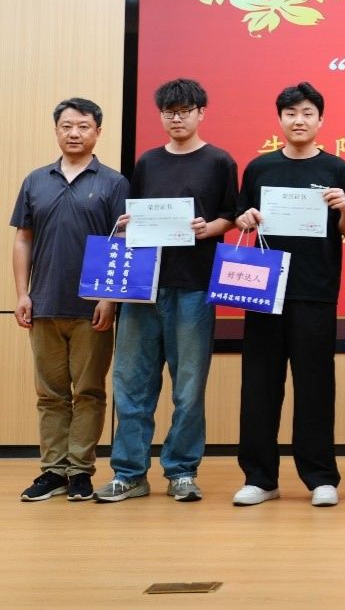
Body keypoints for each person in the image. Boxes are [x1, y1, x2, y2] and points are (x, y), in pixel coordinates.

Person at [93, 79, 238, 505]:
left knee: (188, 388)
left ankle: (182, 471)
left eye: (185, 110)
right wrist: (125, 225)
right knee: (131, 384)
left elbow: (230, 216)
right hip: (142, 287)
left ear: (201, 112)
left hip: (193, 286)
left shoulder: (219, 161)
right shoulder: (148, 162)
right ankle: (129, 473)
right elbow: (135, 216)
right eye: (169, 112)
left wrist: (207, 228)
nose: (176, 118)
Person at [231, 82, 345, 507]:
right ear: (280, 119)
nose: (299, 120)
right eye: (291, 113)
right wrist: (245, 218)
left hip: (315, 290)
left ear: (320, 120)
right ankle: (260, 477)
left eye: (307, 113)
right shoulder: (260, 168)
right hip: (264, 289)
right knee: (259, 385)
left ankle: (320, 477)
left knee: (315, 385)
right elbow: (242, 217)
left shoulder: (337, 168)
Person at [13, 98, 129, 502]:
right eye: (67, 126)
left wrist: (109, 299)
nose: (74, 133)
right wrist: (22, 293)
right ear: (56, 130)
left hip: (91, 307)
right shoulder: (35, 180)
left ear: (98, 132)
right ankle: (53, 471)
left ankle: (80, 470)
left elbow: (122, 241)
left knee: (89, 392)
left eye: (83, 126)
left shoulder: (114, 183)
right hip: (43, 303)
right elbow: (23, 239)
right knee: (50, 394)